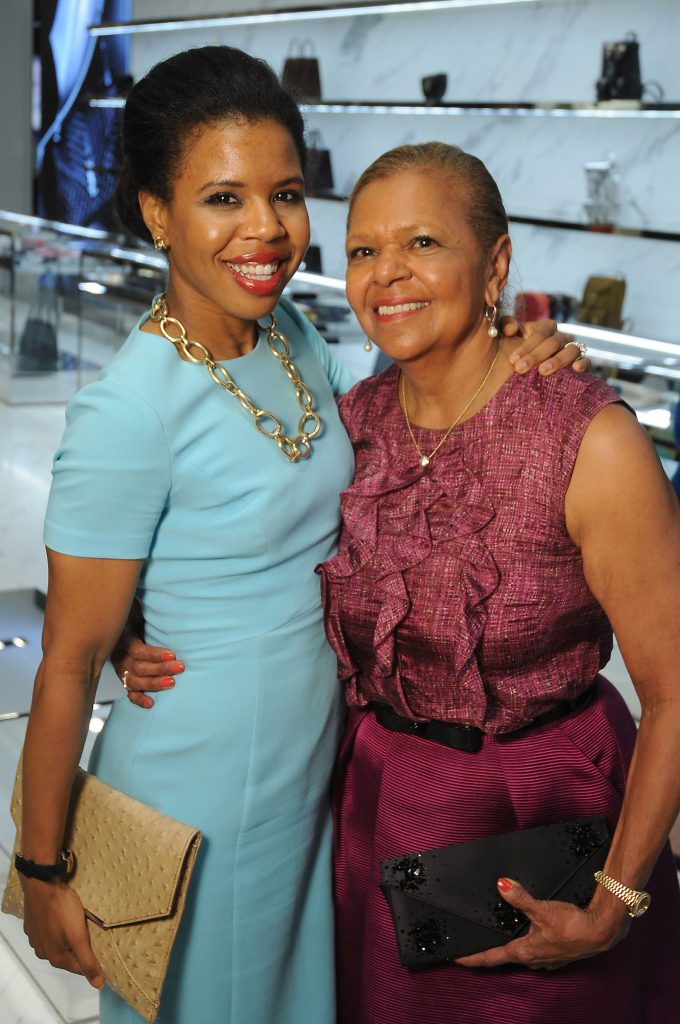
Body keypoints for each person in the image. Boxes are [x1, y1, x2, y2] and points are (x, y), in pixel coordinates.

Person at [17, 45, 586, 1024]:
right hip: (201, 780)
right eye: (222, 199)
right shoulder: (128, 409)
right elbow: (66, 662)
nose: (265, 230)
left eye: (283, 194)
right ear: (157, 213)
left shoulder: (295, 339)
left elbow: (398, 424)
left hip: (313, 762)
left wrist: (517, 340)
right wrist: (40, 865)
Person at [318, 142, 680, 1023]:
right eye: (363, 249)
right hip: (381, 810)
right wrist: (133, 633)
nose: (386, 274)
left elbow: (676, 688)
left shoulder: (588, 440)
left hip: (541, 814)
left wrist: (614, 906)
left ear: (498, 263)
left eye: (423, 243)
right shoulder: (348, 426)